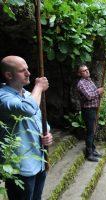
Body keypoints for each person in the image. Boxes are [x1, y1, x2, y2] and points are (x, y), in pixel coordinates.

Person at [0, 56, 53, 200]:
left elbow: (40, 120)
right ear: (9, 75)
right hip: (20, 167)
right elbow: (28, 108)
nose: (28, 73)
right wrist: (39, 87)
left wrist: (47, 133)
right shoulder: (3, 97)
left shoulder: (29, 95)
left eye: (27, 69)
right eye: (22, 71)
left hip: (39, 160)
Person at [77, 64, 104, 162]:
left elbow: (94, 94)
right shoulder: (81, 83)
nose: (87, 71)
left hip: (94, 109)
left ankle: (93, 149)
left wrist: (99, 93)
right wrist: (98, 91)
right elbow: (89, 96)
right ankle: (89, 154)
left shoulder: (89, 81)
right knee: (90, 131)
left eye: (87, 69)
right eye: (84, 71)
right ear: (80, 74)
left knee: (93, 130)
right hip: (88, 110)